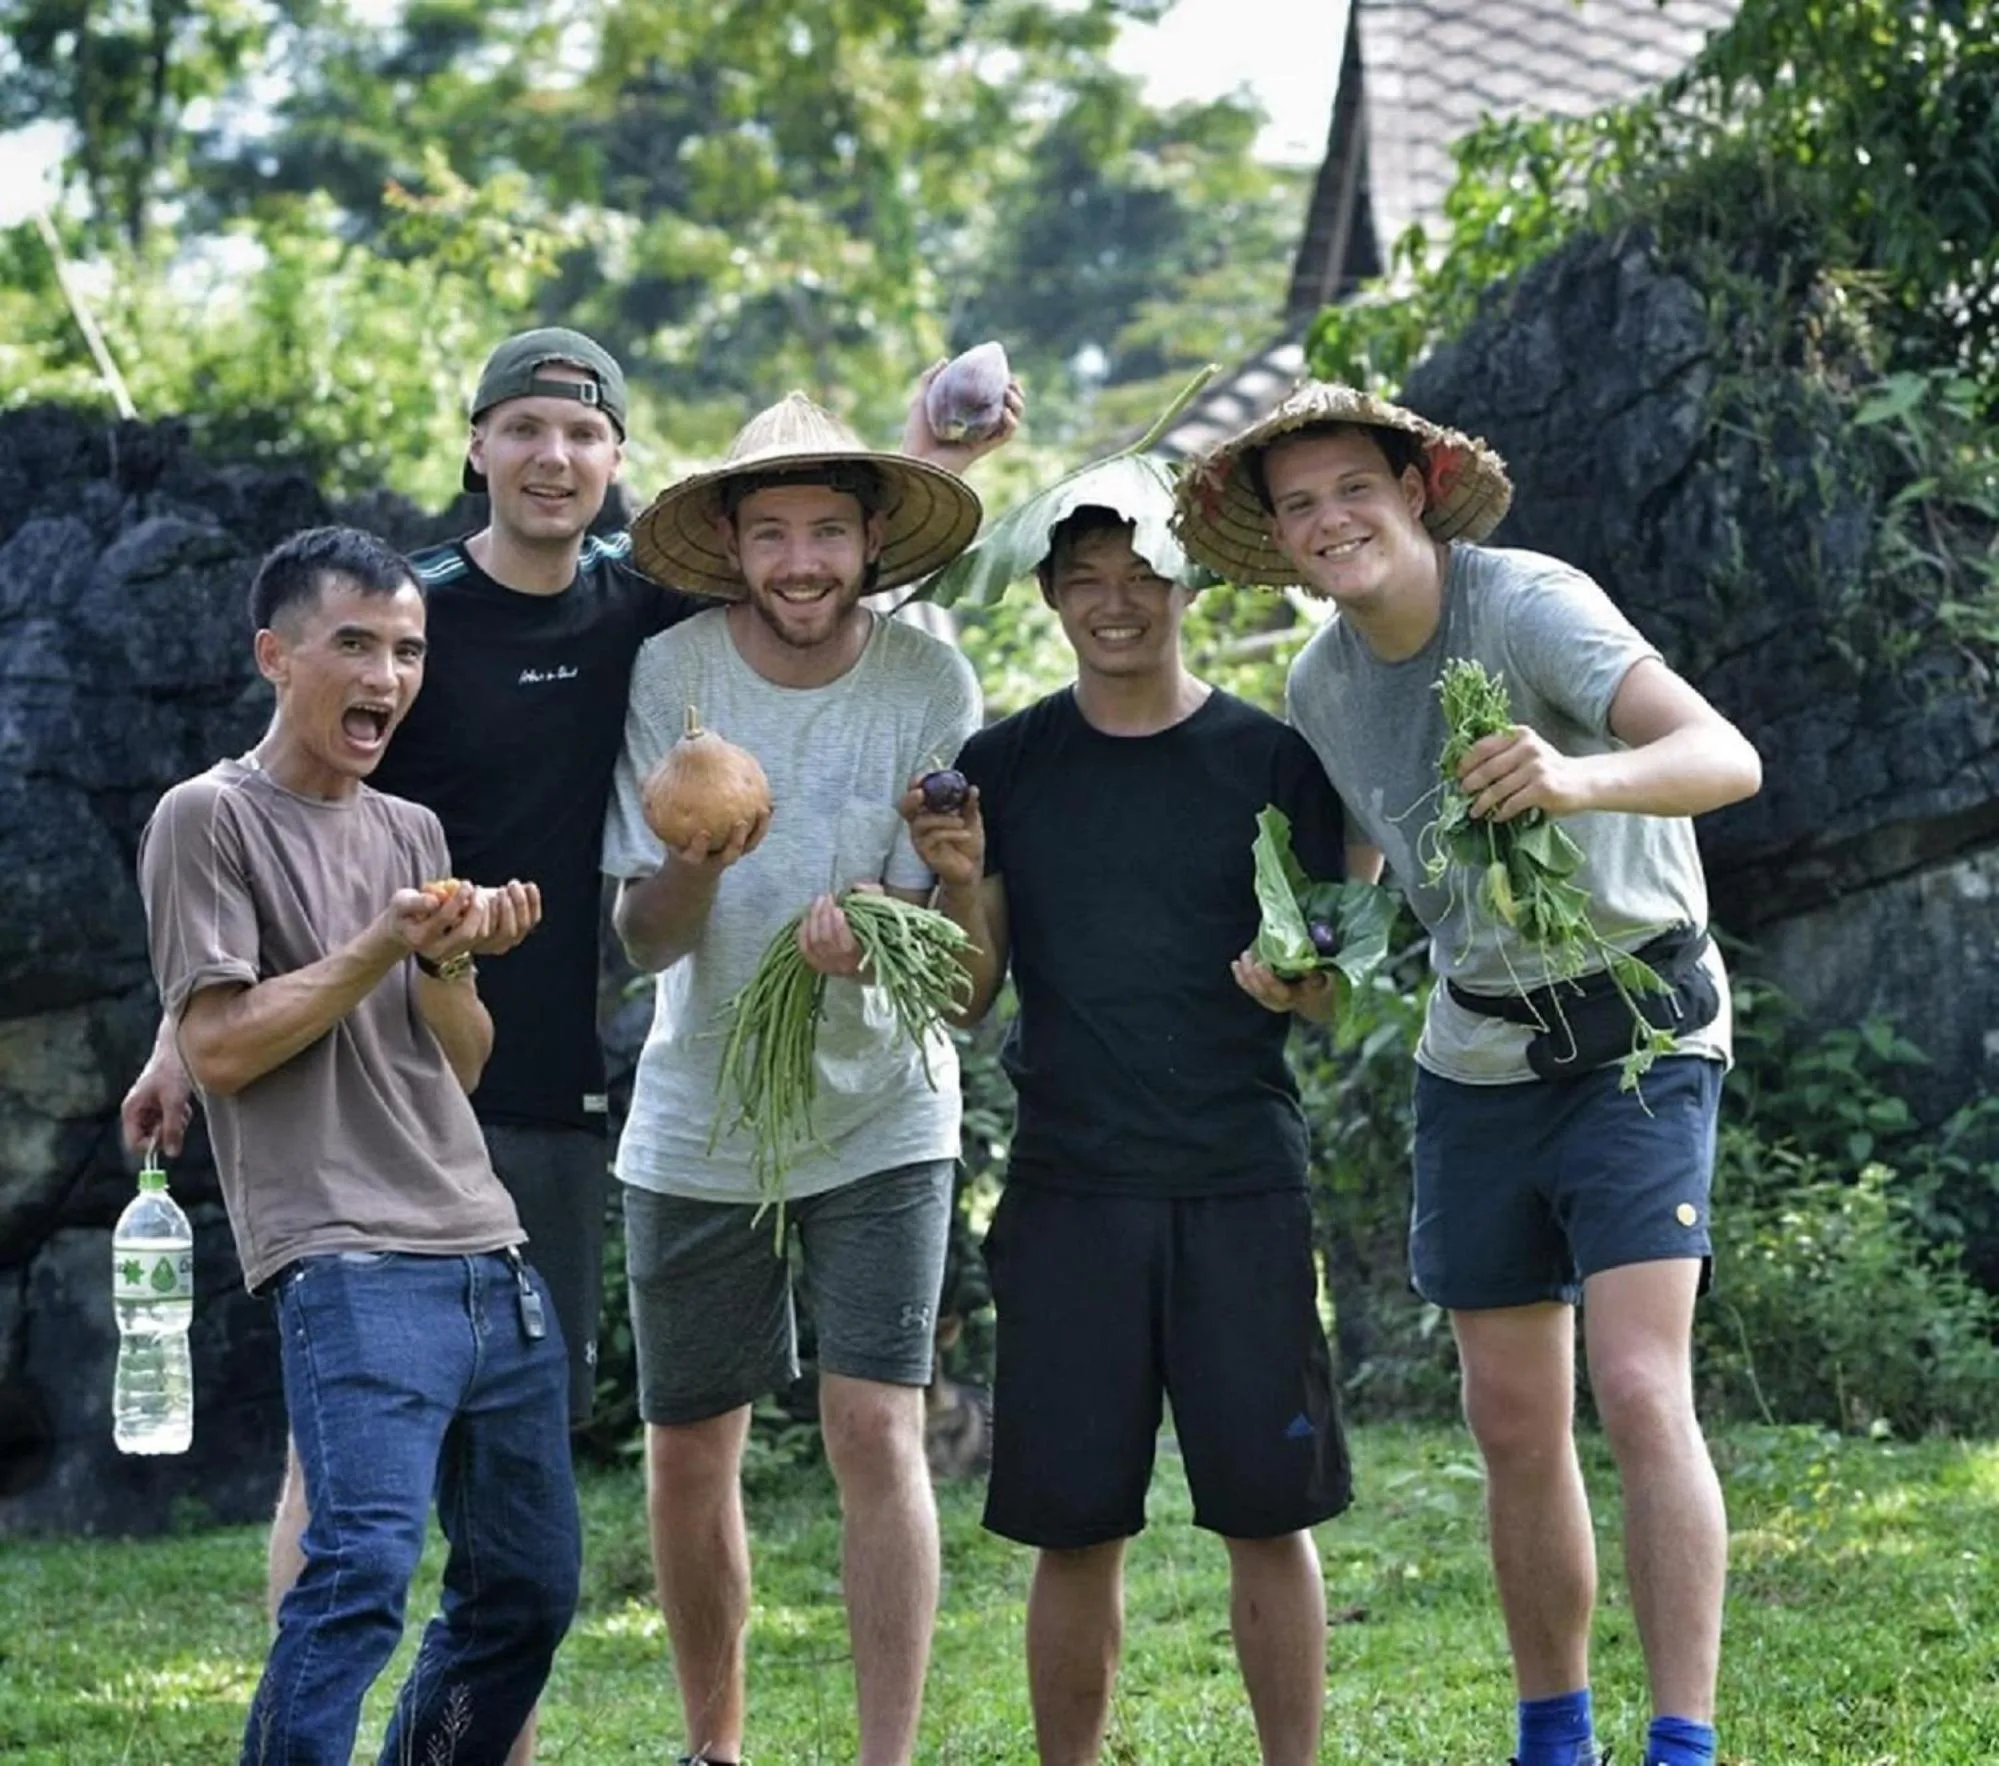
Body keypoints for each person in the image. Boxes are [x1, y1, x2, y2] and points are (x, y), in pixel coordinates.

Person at [1176, 381, 1763, 1766]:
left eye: (1348, 490)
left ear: (1417, 489)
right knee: (1506, 1414)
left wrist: (1571, 779)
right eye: (1296, 505)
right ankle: (1548, 1734)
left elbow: (1720, 757)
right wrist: (1297, 942)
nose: (1327, 521)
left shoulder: (1529, 604)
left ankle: (1678, 1740)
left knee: (1632, 1384)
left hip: (1635, 1030)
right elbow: (1371, 885)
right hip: (1477, 1053)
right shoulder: (1321, 682)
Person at [901, 478, 1361, 1766]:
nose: (1117, 601)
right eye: (1087, 576)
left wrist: (1296, 975)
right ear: (1048, 595)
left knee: (1270, 1512)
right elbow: (969, 994)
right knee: (1075, 1523)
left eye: (1142, 572)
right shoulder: (1003, 765)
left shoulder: (1275, 760)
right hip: (1068, 1191)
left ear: (1189, 585)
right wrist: (949, 887)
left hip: (1238, 1181)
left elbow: (1330, 989)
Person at [603, 384, 1014, 1766]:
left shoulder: (927, 680)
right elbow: (640, 939)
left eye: (825, 531)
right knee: (688, 1442)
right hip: (697, 1107)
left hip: (880, 1108)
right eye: (770, 530)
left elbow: (940, 942)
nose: (798, 561)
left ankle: (881, 1755)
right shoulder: (672, 679)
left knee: (870, 1426)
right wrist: (691, 863)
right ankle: (711, 1747)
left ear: (867, 540)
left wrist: (875, 930)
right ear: (730, 540)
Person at [136, 524, 580, 1766]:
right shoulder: (206, 818)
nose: (385, 676)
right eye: (354, 645)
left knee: (528, 1594)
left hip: (489, 1254)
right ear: (276, 655)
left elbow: (462, 1059)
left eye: (406, 649)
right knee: (358, 1583)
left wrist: (444, 958)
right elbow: (219, 1047)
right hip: (345, 1262)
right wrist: (381, 946)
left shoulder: (413, 831)